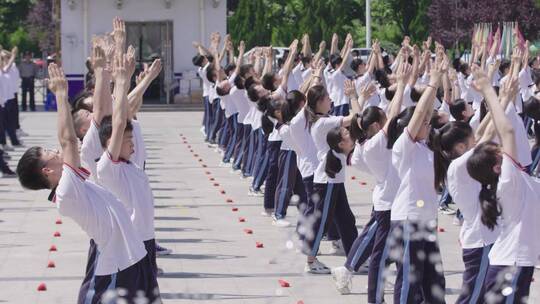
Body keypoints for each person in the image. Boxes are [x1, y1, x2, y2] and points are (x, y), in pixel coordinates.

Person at [16, 62, 161, 303]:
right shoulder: (66, 190)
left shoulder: (78, 178)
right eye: (47, 151)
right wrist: (61, 96)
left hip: (135, 256)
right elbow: (68, 141)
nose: (54, 149)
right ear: (47, 169)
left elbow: (105, 115)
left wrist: (110, 75)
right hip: (118, 266)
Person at [467, 66, 539, 304]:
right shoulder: (508, 182)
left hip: (515, 263)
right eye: (498, 152)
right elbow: (505, 130)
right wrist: (489, 90)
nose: (503, 149)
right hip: (511, 265)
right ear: (497, 167)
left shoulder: (516, 179)